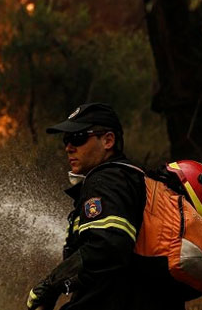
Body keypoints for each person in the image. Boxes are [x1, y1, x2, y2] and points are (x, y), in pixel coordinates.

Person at [26, 102, 178, 310]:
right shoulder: (133, 178)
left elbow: (108, 246)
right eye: (66, 140)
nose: (69, 147)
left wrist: (51, 285)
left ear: (108, 140)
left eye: (78, 138)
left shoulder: (106, 179)